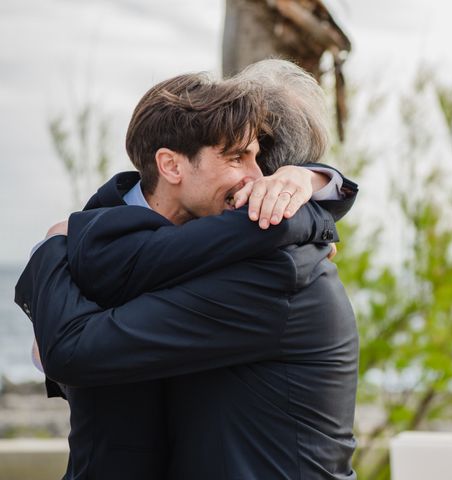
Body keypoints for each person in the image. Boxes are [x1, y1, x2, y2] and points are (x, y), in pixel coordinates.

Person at [18, 60, 358, 479]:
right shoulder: (112, 229)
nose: (250, 179)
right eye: (236, 156)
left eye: (256, 161)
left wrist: (51, 247)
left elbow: (73, 351)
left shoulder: (278, 263)